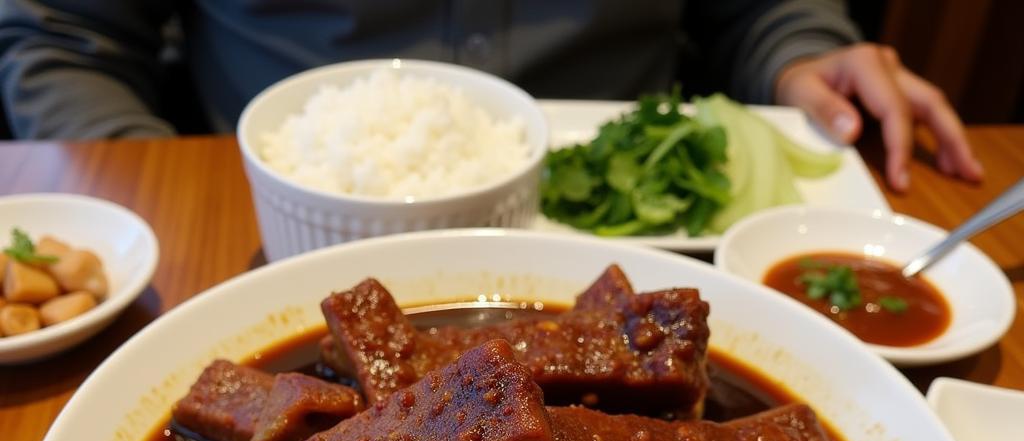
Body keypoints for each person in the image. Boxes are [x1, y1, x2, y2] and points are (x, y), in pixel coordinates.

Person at [0, 0, 981, 192]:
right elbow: (58, 33)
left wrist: (804, 50)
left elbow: (759, 8)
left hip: (607, 230)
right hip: (268, 209)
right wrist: (150, 194)